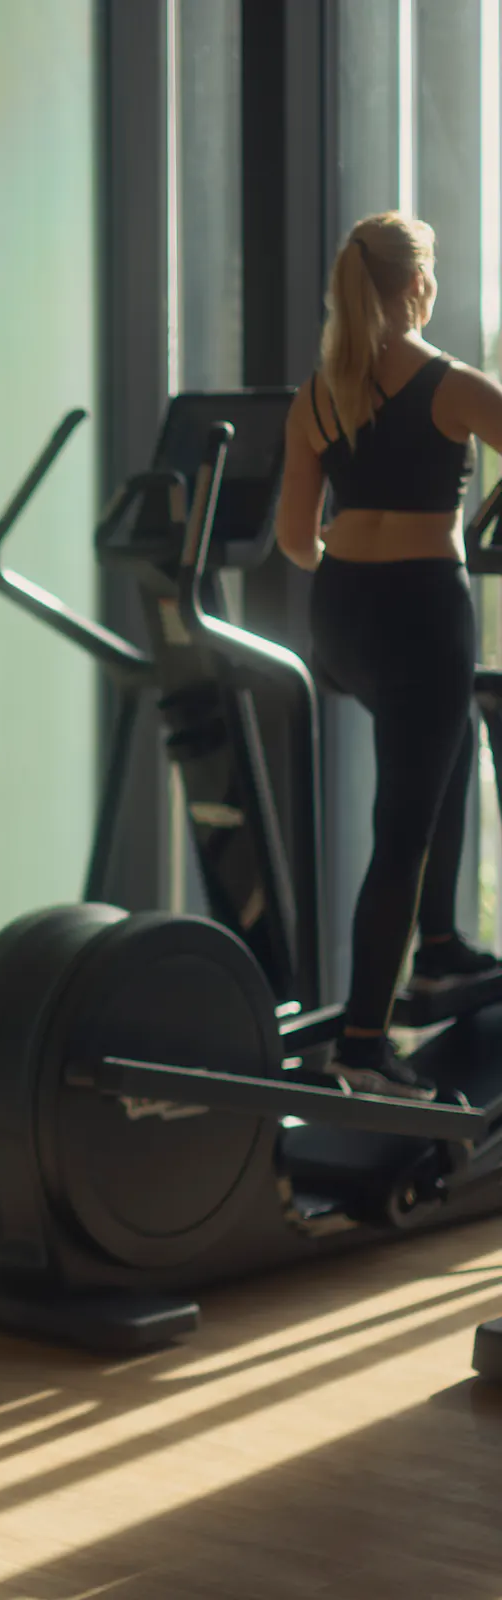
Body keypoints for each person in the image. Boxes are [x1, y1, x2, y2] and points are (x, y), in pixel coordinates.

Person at [276, 210, 502, 1101]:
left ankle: (440, 951)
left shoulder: (318, 393)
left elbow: (297, 539)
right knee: (401, 829)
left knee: (436, 758)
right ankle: (364, 1045)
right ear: (417, 284)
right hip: (419, 611)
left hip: (342, 619)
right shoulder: (452, 385)